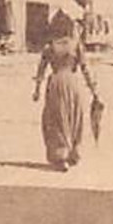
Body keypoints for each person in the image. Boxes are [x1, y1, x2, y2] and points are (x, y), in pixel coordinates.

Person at [32, 11, 100, 171]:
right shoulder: (76, 45)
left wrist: (36, 91)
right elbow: (85, 69)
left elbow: (40, 71)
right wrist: (94, 91)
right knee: (74, 117)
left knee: (56, 119)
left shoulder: (49, 47)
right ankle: (73, 153)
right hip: (72, 83)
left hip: (55, 83)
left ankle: (60, 155)